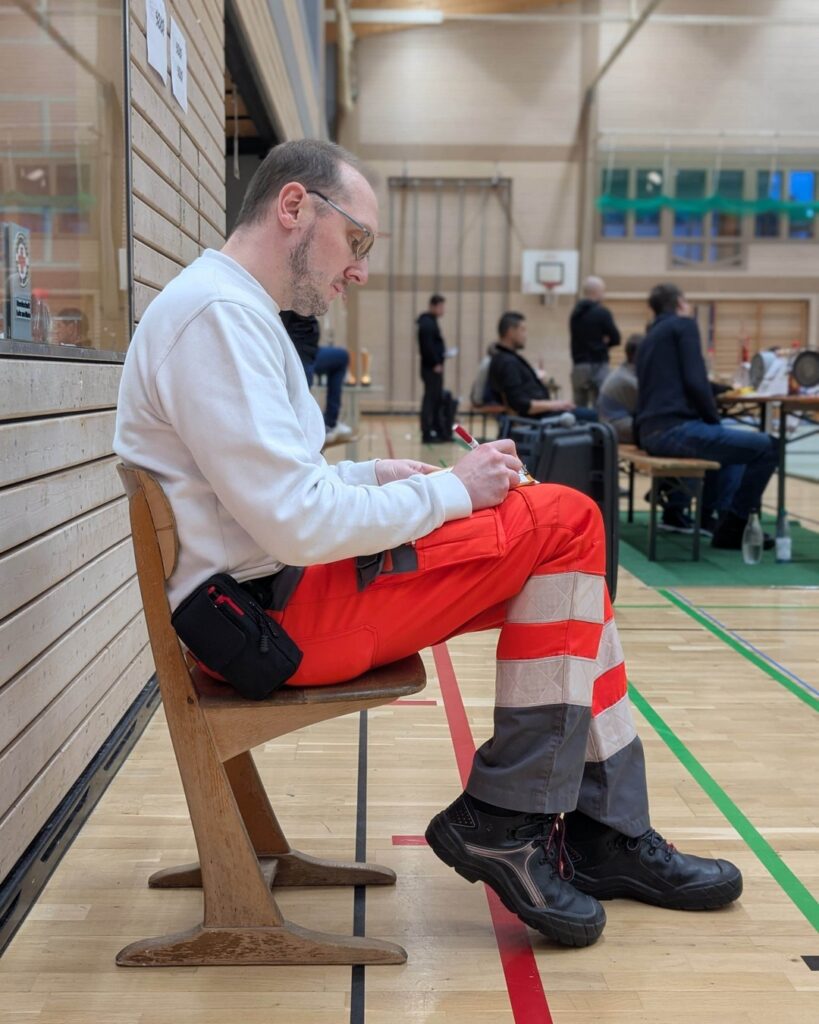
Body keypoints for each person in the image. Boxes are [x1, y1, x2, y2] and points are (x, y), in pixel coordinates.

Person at [114, 140, 742, 950]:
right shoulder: (217, 318)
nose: (359, 269)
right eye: (357, 241)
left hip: (270, 603)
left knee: (567, 560)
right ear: (294, 207)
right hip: (279, 624)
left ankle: (599, 830)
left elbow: (266, 493)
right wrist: (451, 492)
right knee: (566, 524)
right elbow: (292, 523)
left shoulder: (227, 310)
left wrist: (372, 474)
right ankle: (518, 821)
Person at [635, 283, 778, 549]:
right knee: (768, 447)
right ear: (680, 303)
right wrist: (714, 419)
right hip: (673, 430)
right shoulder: (684, 325)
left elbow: (675, 380)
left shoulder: (649, 337)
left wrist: (719, 390)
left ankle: (714, 519)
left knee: (732, 449)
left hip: (650, 431)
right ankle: (735, 526)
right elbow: (694, 381)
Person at [489, 311, 597, 421]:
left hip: (541, 415)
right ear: (511, 331)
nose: (525, 335)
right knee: (592, 416)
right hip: (537, 420)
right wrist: (556, 404)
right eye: (522, 329)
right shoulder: (507, 362)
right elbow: (520, 404)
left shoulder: (507, 359)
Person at [280, 309, 353, 444]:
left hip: (311, 353)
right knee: (299, 405)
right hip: (297, 356)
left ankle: (330, 424)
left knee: (341, 357)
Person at [569, 276, 621, 407]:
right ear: (597, 292)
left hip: (579, 366)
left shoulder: (575, 314)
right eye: (603, 291)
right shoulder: (602, 313)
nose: (604, 295)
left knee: (579, 406)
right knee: (601, 406)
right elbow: (616, 338)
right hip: (598, 364)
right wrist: (603, 344)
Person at [417, 293, 452, 443]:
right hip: (431, 368)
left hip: (433, 367)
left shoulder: (431, 322)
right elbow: (427, 347)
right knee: (430, 400)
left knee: (435, 399)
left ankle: (436, 430)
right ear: (433, 306)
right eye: (440, 306)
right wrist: (435, 363)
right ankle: (427, 432)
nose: (443, 310)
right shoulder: (427, 323)